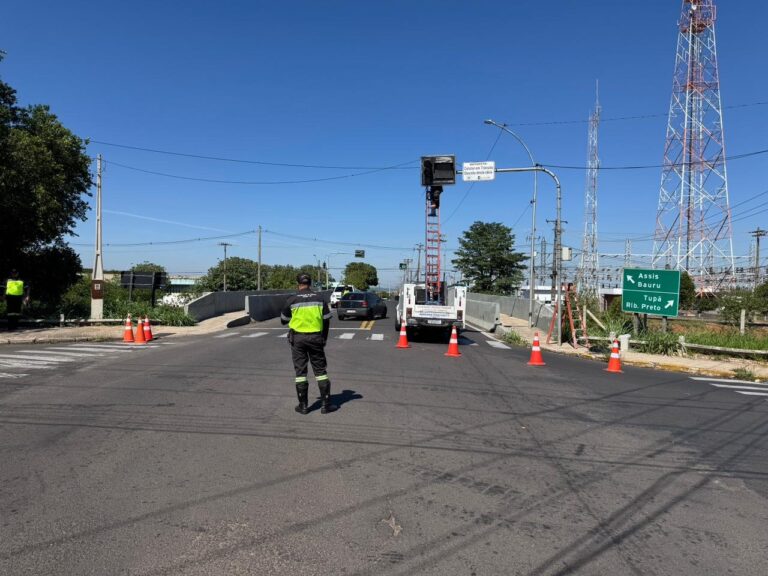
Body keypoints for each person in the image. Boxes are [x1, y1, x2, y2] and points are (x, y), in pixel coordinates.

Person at [281, 273, 335, 414]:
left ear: (298, 283)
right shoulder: (319, 298)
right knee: (320, 371)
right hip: (316, 338)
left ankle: (303, 406)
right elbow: (326, 320)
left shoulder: (292, 299)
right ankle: (325, 405)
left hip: (297, 339)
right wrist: (324, 338)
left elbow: (283, 320)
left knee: (300, 372)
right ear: (310, 283)